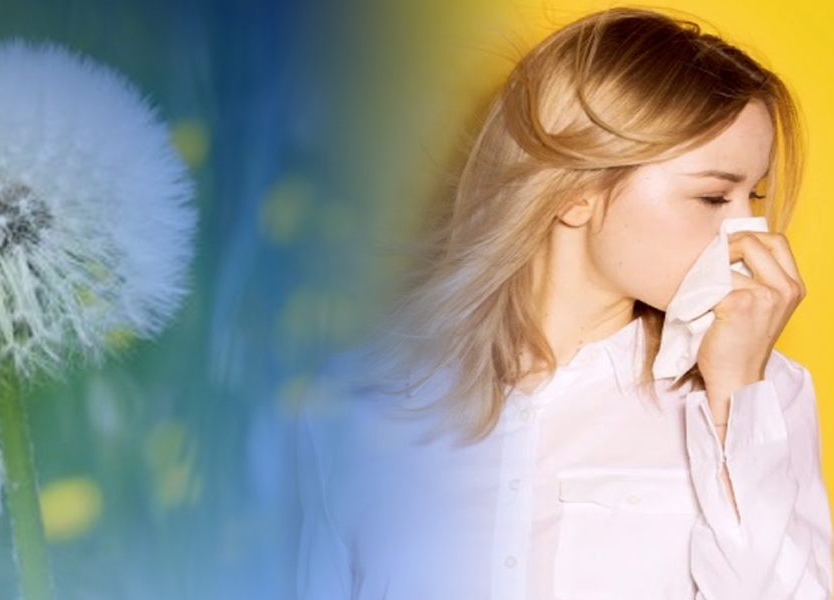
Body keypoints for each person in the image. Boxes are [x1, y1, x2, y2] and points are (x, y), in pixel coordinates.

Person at [298, 8, 829, 599]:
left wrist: (736, 394)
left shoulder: (763, 396)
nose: (749, 234)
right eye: (712, 196)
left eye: (752, 196)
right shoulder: (354, 404)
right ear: (576, 193)